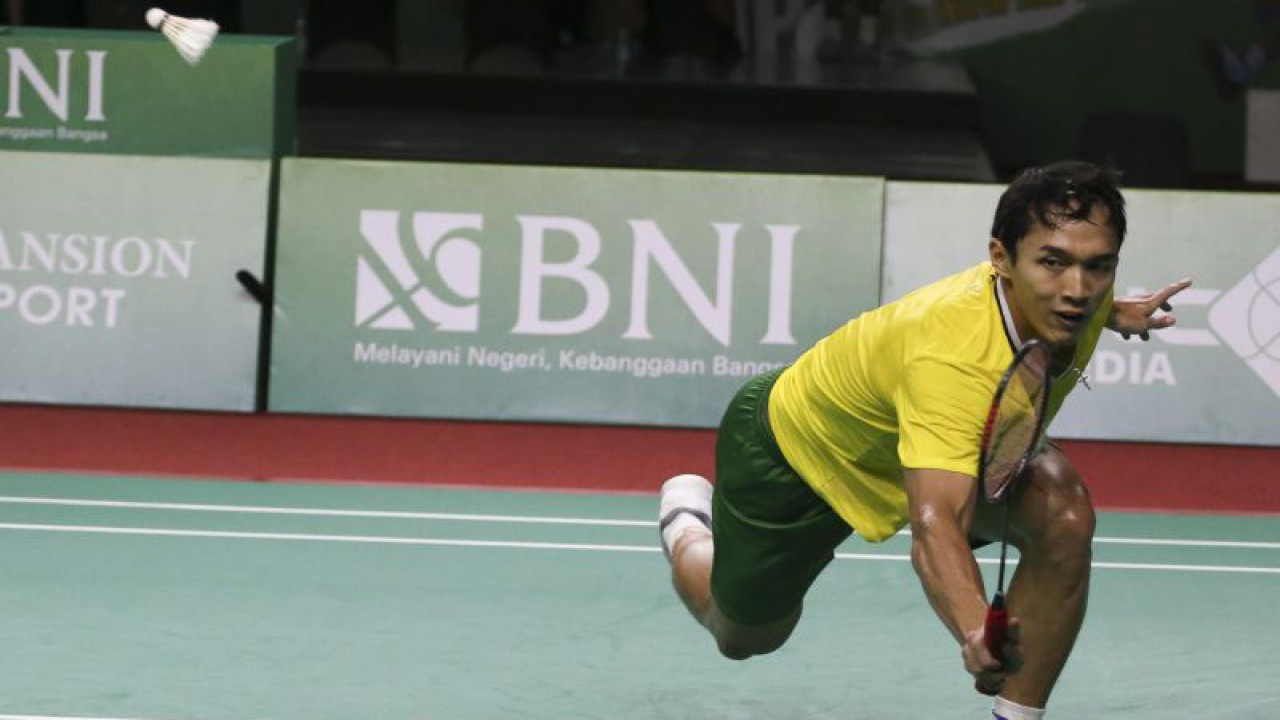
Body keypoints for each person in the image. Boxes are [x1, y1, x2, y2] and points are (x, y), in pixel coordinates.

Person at [657, 161, 1192, 719]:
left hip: (942, 442)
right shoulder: (951, 354)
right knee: (743, 636)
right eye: (1053, 263)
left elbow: (1079, 286)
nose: (1077, 290)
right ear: (1001, 259)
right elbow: (935, 525)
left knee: (1064, 513)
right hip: (803, 452)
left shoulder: (1078, 297)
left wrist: (1116, 312)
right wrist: (974, 630)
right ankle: (687, 529)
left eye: (1099, 268)